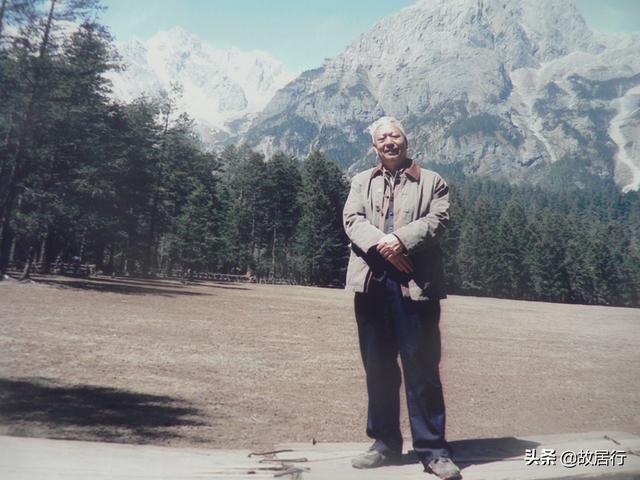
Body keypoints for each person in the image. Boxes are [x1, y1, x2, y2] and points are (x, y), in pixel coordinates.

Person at [342, 117, 461, 480]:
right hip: (373, 286)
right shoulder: (362, 181)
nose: (389, 142)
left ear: (407, 141)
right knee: (377, 367)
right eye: (382, 138)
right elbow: (351, 219)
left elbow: (439, 220)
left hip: (416, 287)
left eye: (395, 135)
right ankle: (384, 443)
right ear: (374, 147)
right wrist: (384, 244)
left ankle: (433, 450)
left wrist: (401, 240)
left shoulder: (433, 181)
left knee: (422, 369)